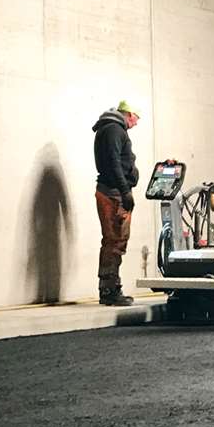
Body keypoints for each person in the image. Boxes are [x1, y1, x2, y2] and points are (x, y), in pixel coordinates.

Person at [92, 101, 140, 306]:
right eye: (136, 119)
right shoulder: (114, 130)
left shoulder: (108, 129)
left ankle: (109, 288)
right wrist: (125, 190)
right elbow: (114, 162)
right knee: (116, 241)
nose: (136, 124)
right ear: (129, 114)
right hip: (113, 194)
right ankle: (110, 290)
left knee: (112, 241)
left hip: (111, 191)